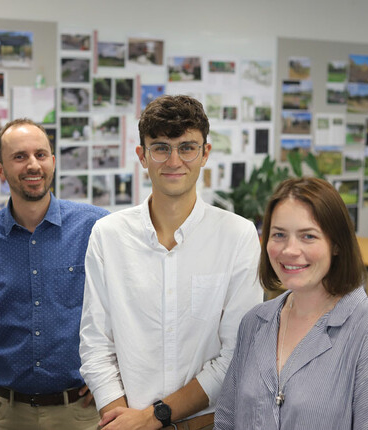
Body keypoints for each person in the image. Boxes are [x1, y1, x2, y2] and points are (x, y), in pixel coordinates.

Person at [79, 95, 263, 430]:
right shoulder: (108, 235)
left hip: (204, 424)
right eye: (161, 147)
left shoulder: (238, 236)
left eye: (187, 147)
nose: (174, 160)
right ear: (142, 156)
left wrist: (154, 418)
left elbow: (236, 354)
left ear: (205, 153)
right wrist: (123, 421)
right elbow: (95, 346)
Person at [214, 177, 368, 429]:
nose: (289, 250)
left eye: (308, 236)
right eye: (279, 235)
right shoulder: (255, 322)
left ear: (337, 245)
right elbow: (227, 420)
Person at [0, 118, 109, 429]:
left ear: (53, 162)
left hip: (81, 411)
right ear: (0, 170)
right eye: (19, 157)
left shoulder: (95, 227)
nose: (33, 165)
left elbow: (126, 308)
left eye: (41, 155)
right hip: (5, 412)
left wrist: (118, 373)